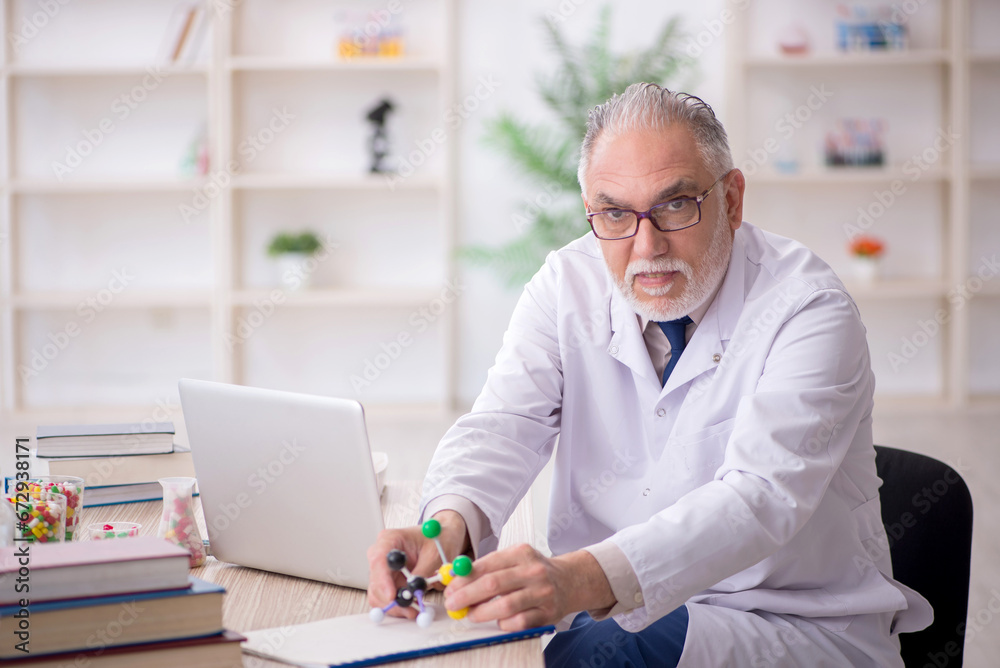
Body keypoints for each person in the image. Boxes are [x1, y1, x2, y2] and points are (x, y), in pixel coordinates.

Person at [367, 83, 933, 667]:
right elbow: (504, 424)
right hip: (613, 614)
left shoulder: (808, 308)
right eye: (614, 213)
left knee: (588, 655)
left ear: (732, 200)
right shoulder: (567, 284)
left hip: (785, 622)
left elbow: (759, 499)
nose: (646, 245)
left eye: (675, 204)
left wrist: (578, 580)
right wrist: (445, 527)